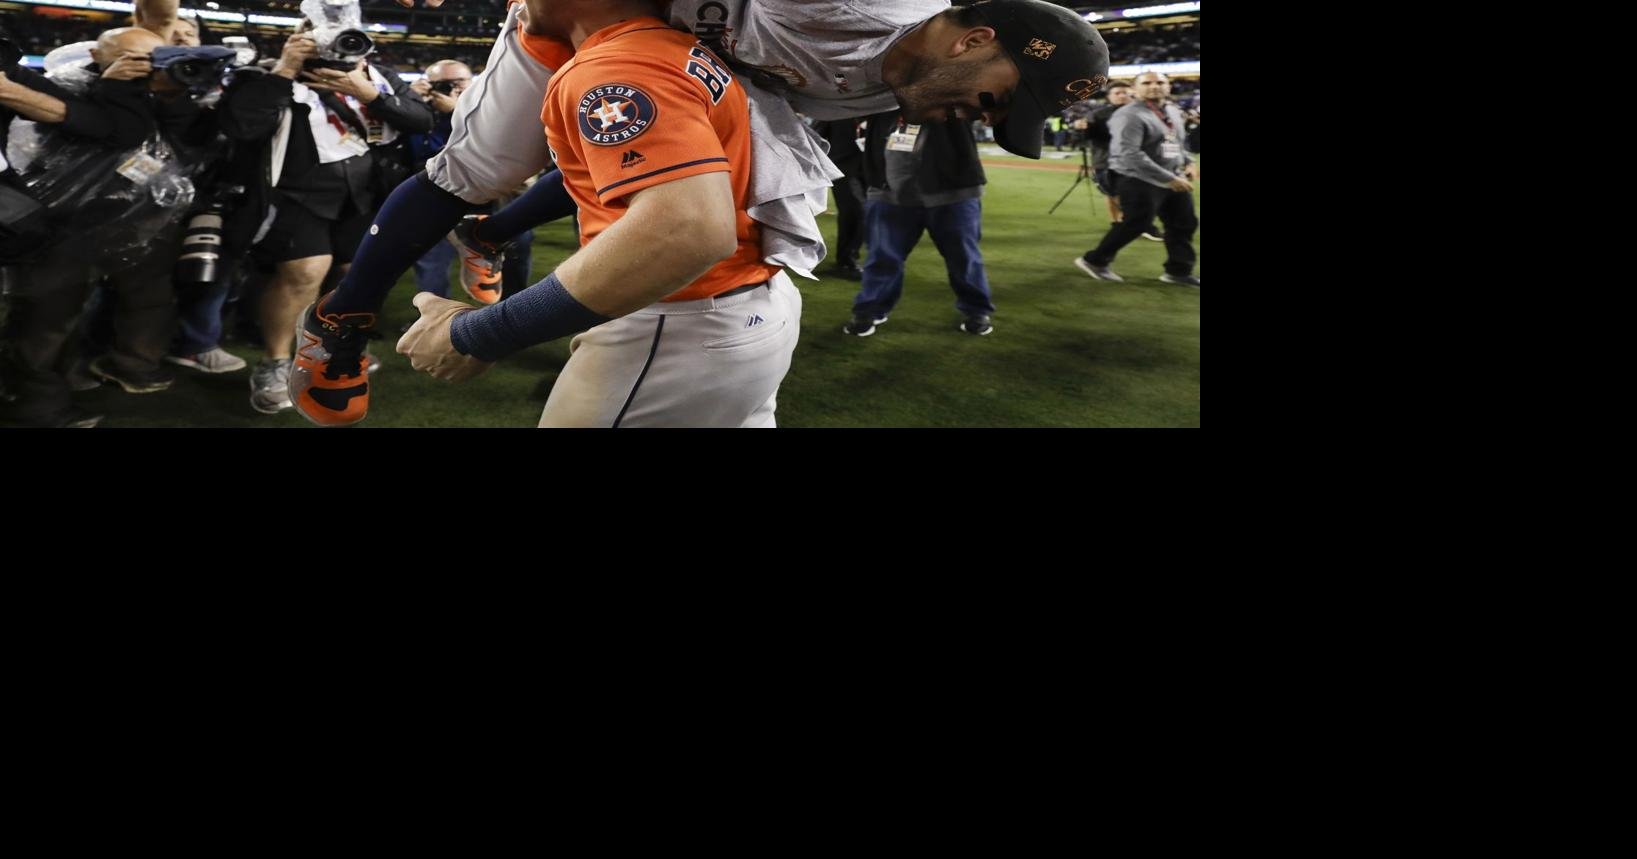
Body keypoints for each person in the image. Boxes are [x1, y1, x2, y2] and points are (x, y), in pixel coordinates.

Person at [294, 0, 1110, 426]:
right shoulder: (854, 13)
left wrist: (481, 333)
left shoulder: (908, 71)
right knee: (475, 169)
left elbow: (687, 218)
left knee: (674, 183)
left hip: (704, 113)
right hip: (605, 34)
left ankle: (494, 234)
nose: (981, 116)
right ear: (973, 42)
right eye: (996, 100)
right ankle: (343, 320)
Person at [395, 0, 800, 427]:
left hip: (676, 320)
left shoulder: (615, 64)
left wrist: (480, 334)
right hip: (746, 306)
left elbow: (688, 230)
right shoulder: (669, 46)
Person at [843, 110, 994, 337]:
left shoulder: (951, 90)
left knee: (964, 258)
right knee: (881, 258)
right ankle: (869, 310)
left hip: (953, 191)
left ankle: (977, 310)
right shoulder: (878, 92)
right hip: (888, 192)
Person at [1074, 71, 1199, 287]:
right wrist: (1169, 178)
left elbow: (1177, 142)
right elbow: (1129, 154)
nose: (1154, 86)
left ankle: (1178, 271)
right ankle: (1094, 260)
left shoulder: (1171, 110)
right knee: (1136, 222)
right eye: (1147, 82)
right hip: (1136, 178)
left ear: (1169, 87)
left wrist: (1188, 161)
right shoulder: (1127, 115)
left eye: (1160, 82)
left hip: (1170, 176)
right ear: (1136, 89)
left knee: (1183, 223)